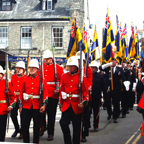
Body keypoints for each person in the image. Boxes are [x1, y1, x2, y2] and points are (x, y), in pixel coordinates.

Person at [59, 56, 89, 144]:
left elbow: (85, 92)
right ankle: (68, 141)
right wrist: (61, 104)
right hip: (67, 104)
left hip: (77, 105)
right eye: (69, 66)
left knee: (77, 128)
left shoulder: (82, 77)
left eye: (72, 66)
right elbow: (61, 91)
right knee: (63, 124)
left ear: (76, 66)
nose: (70, 67)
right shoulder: (64, 76)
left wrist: (84, 103)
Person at [19, 59, 48, 144]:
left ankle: (36, 142)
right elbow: (21, 92)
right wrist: (20, 105)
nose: (31, 69)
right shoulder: (25, 79)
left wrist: (44, 105)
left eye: (33, 68)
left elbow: (45, 93)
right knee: (24, 126)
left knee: (37, 127)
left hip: (37, 105)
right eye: (30, 68)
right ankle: (26, 142)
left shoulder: (41, 79)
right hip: (26, 105)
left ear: (37, 69)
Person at [40, 49, 64, 141]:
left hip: (53, 95)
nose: (45, 60)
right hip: (43, 95)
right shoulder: (40, 67)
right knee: (41, 113)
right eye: (44, 59)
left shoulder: (58, 68)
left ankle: (50, 133)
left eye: (47, 59)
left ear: (51, 59)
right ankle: (42, 128)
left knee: (51, 115)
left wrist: (59, 89)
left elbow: (62, 80)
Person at [76, 51, 92, 142]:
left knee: (84, 116)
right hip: (75, 96)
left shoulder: (88, 70)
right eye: (78, 60)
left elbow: (89, 83)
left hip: (84, 95)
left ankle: (83, 133)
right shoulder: (75, 69)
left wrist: (86, 93)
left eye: (81, 60)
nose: (79, 62)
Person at [89, 60, 107, 131]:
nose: (92, 69)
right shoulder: (86, 75)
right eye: (91, 67)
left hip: (97, 97)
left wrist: (105, 96)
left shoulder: (100, 76)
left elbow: (104, 87)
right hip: (89, 97)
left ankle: (96, 125)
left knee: (96, 112)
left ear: (96, 68)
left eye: (94, 67)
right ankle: (87, 125)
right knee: (87, 112)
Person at [0, 65, 16, 141]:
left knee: (1, 130)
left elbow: (13, 97)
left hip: (3, 109)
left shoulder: (7, 83)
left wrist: (11, 106)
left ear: (2, 75)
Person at [10, 61, 25, 139]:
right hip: (14, 99)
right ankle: (17, 129)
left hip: (22, 99)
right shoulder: (13, 77)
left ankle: (23, 131)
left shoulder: (26, 77)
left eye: (20, 68)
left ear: (23, 69)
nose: (18, 70)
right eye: (17, 68)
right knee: (12, 115)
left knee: (22, 116)